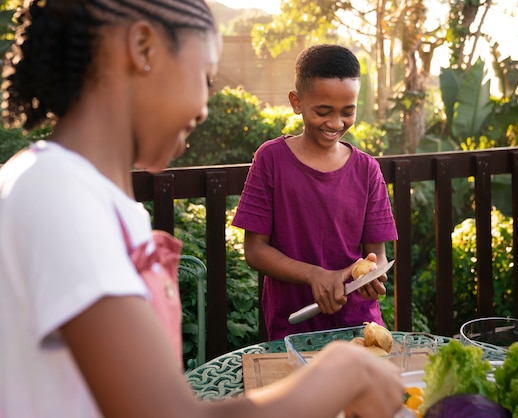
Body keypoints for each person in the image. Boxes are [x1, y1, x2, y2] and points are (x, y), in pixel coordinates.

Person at [0, 2, 404, 418]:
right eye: (203, 77)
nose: (204, 107)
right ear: (143, 48)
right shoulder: (59, 195)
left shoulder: (93, 198)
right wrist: (337, 375)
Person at [232, 44, 398, 340]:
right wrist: (315, 275)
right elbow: (255, 250)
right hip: (294, 327)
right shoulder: (270, 159)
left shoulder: (368, 169)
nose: (336, 123)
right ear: (297, 102)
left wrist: (374, 273)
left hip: (361, 326)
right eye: (323, 111)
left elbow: (378, 254)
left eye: (348, 112)